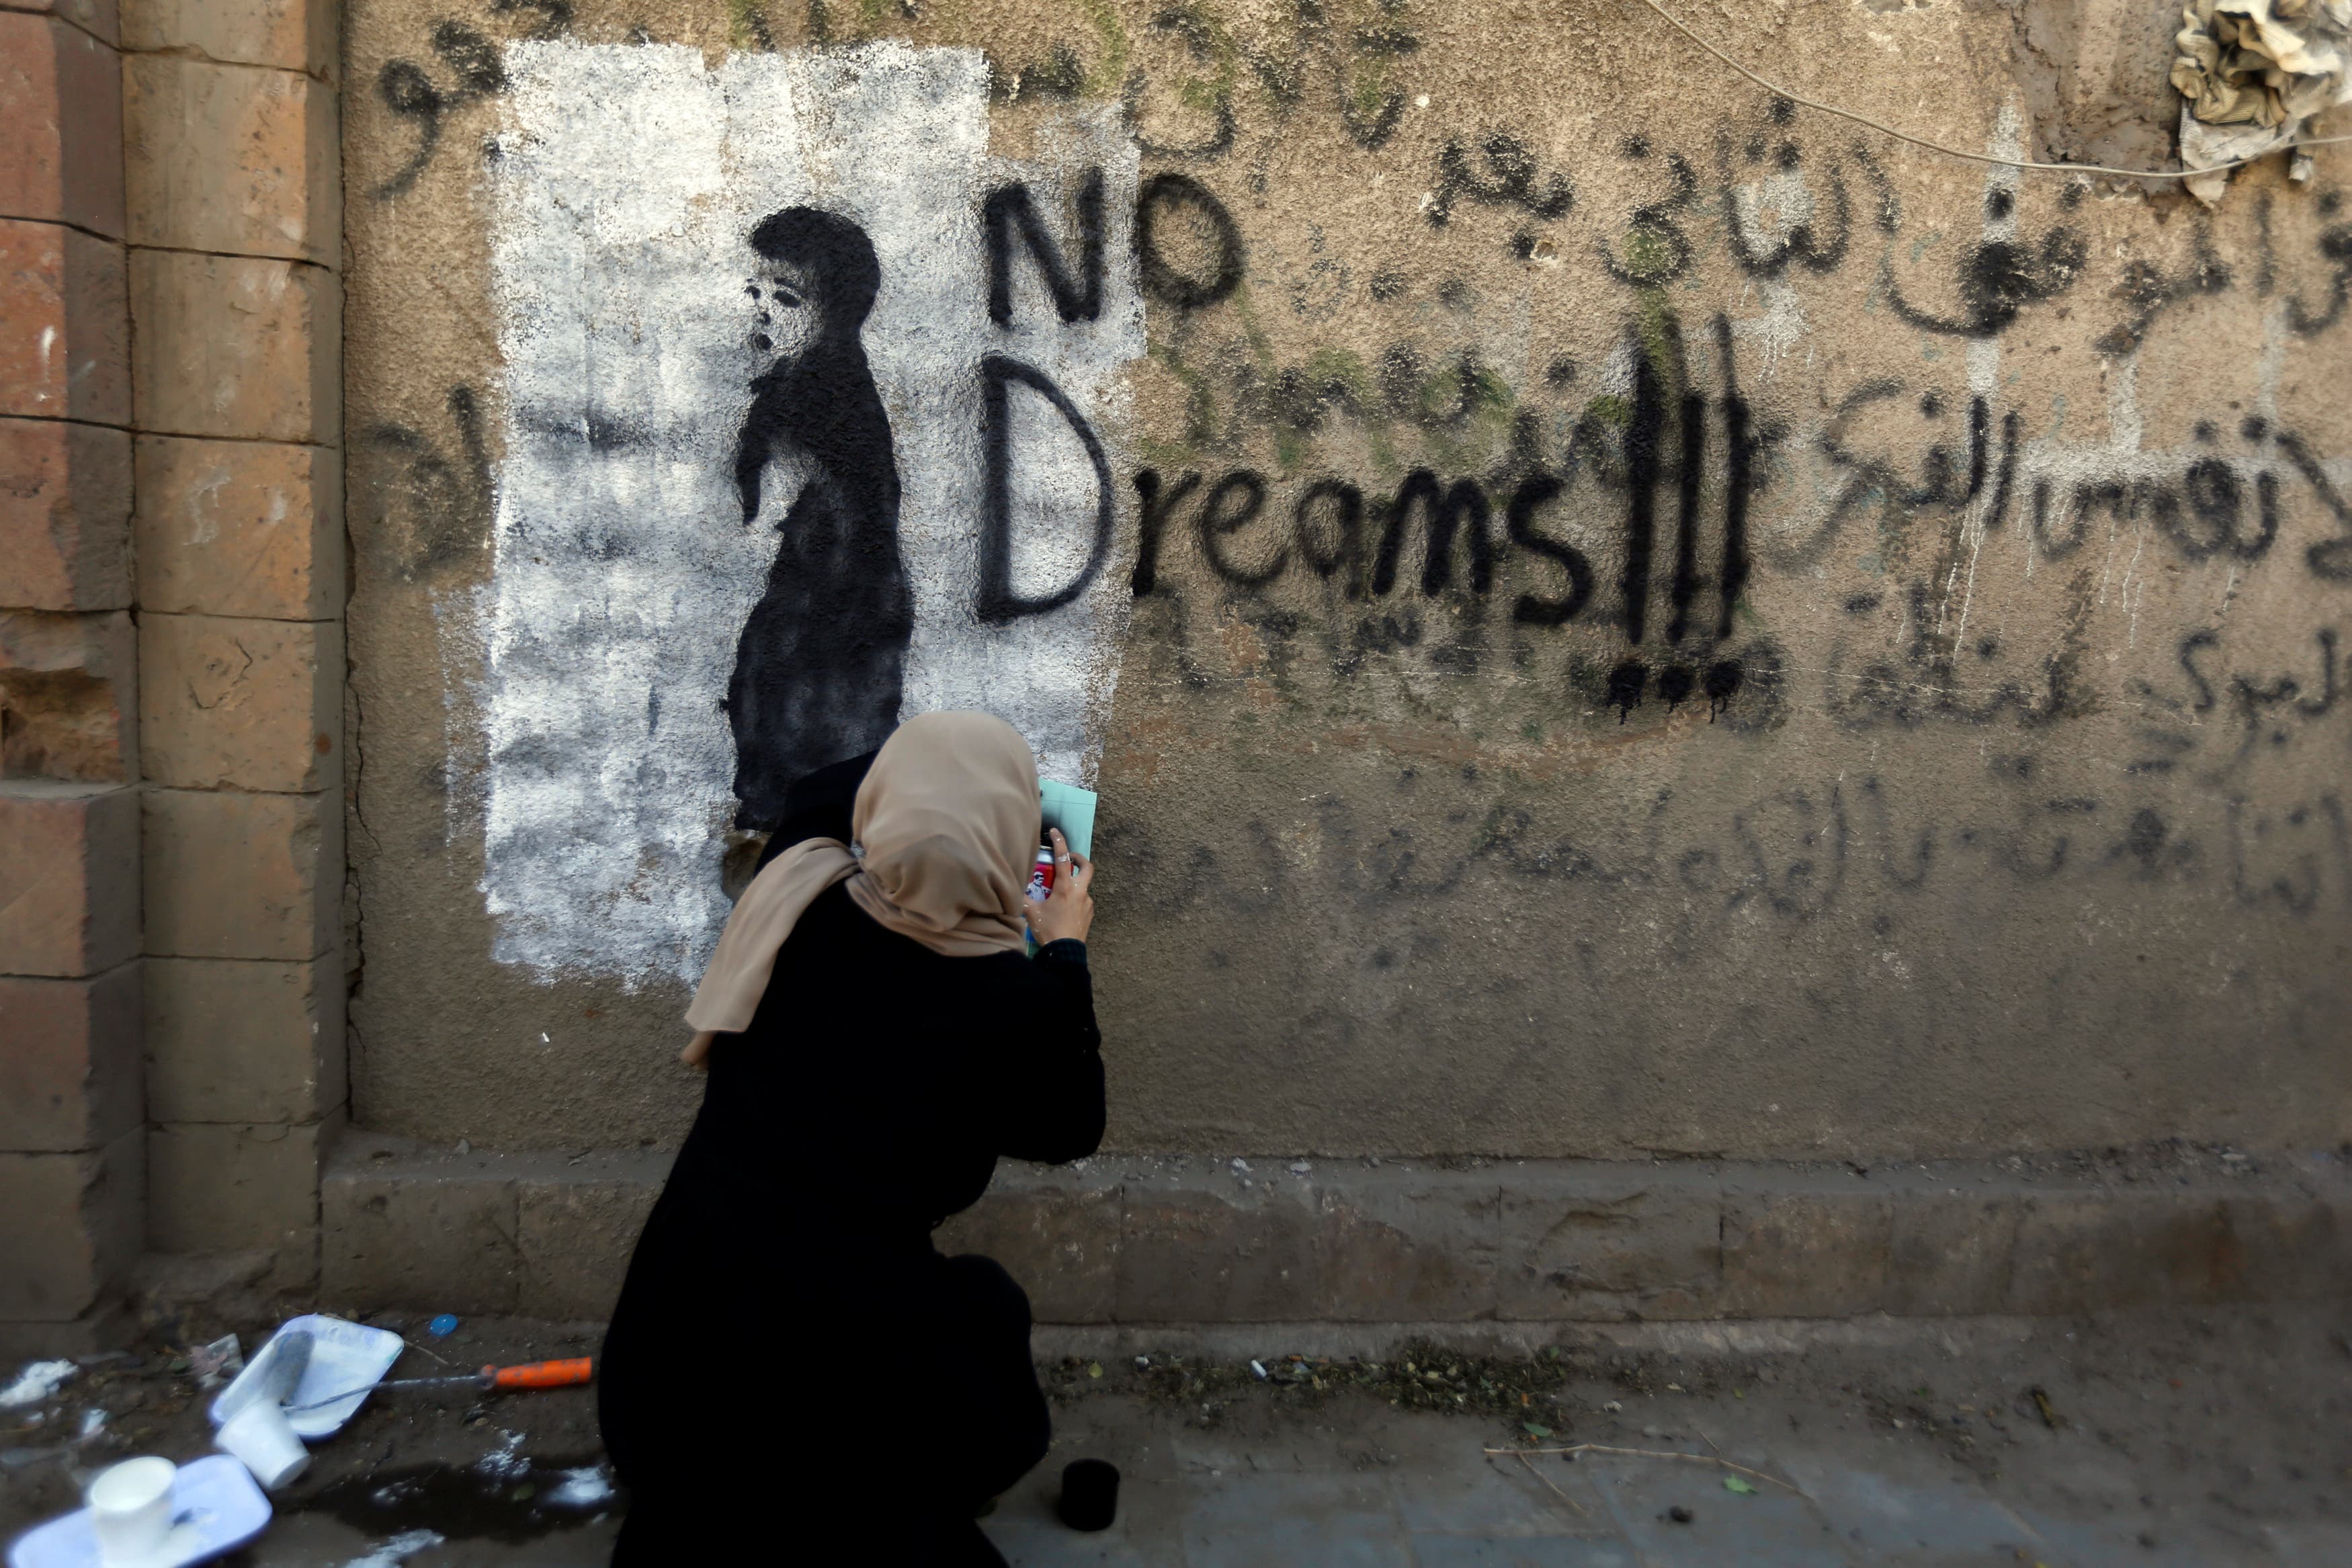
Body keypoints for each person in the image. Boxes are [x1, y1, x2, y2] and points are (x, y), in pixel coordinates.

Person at [598, 712, 1103, 1565]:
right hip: (845, 1362)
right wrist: (1064, 952)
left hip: (661, 1387)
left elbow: (817, 793)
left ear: (880, 809)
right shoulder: (1006, 1003)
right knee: (983, 1310)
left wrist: (931, 770)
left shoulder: (798, 897)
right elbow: (1070, 1124)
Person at [726, 206, 914, 830]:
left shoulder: (809, 398)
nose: (761, 310)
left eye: (785, 297)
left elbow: (759, 528)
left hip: (824, 649)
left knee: (792, 817)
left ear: (838, 311)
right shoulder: (824, 386)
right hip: (834, 640)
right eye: (754, 291)